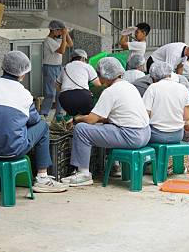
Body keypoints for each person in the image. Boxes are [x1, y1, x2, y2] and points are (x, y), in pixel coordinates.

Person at [0, 51, 66, 192]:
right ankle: (42, 177)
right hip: (12, 151)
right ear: (22, 74)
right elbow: (34, 120)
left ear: (3, 67)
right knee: (42, 126)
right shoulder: (24, 95)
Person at [63, 57, 150, 186]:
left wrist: (77, 118)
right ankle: (115, 165)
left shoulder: (110, 91)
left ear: (106, 74)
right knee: (106, 124)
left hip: (131, 136)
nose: (99, 78)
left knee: (81, 129)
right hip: (145, 134)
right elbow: (112, 117)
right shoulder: (129, 86)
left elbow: (92, 120)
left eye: (99, 74)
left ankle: (83, 173)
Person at [142, 62, 189, 144]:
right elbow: (187, 117)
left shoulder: (153, 88)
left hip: (156, 135)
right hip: (178, 135)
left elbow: (144, 115)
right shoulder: (183, 88)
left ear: (153, 76)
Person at [41, 19, 73, 119]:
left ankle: (58, 114)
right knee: (50, 92)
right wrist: (63, 36)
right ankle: (43, 114)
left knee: (60, 92)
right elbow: (62, 51)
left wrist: (66, 34)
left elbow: (70, 44)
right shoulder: (48, 41)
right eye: (59, 30)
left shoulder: (57, 40)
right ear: (53, 30)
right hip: (49, 67)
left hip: (58, 66)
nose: (60, 32)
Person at [57, 49, 102, 116]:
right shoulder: (87, 66)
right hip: (83, 97)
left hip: (65, 98)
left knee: (72, 114)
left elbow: (57, 85)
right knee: (86, 116)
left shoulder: (65, 67)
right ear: (83, 58)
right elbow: (98, 84)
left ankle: (72, 122)